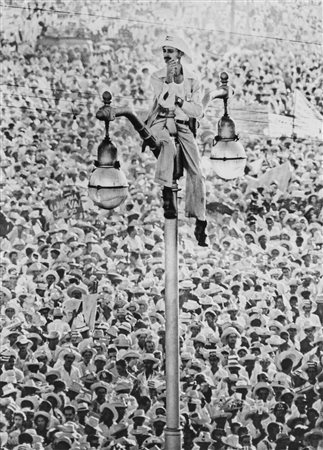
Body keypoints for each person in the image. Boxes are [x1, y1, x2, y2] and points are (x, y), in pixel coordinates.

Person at [145, 34, 208, 246]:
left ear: (180, 54)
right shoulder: (157, 76)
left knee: (197, 172)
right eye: (164, 51)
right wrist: (170, 81)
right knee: (168, 147)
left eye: (170, 51)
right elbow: (163, 102)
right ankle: (167, 191)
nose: (166, 55)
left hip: (182, 125)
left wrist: (180, 100)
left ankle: (199, 218)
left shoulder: (193, 78)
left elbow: (197, 110)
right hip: (161, 122)